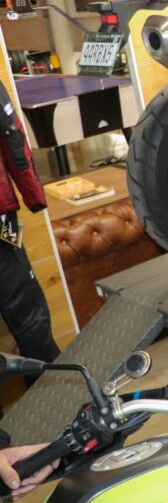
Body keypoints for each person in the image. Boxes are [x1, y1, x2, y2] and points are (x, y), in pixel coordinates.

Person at [0, 83, 59, 374]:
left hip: (3, 217)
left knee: (25, 300)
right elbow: (12, 134)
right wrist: (33, 193)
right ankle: (53, 389)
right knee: (26, 303)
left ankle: (50, 384)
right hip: (2, 216)